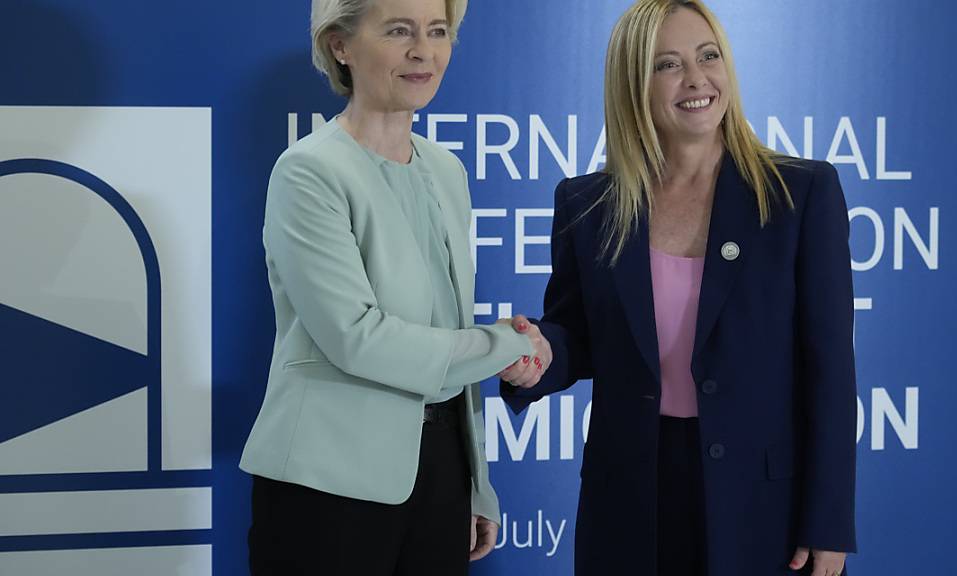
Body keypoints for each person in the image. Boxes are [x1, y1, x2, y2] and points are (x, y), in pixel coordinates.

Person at [500, 1, 857, 574]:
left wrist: (828, 522)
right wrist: (534, 353)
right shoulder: (586, 205)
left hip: (764, 506)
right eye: (668, 64)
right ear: (633, 85)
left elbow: (831, 370)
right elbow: (575, 336)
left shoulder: (800, 193)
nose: (696, 79)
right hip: (630, 500)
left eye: (708, 56)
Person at [239, 0, 549, 573]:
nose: (423, 51)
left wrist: (473, 482)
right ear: (340, 45)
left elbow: (447, 334)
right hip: (327, 484)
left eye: (438, 31)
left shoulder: (446, 170)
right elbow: (357, 338)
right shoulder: (309, 171)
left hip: (438, 475)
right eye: (399, 31)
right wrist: (506, 344)